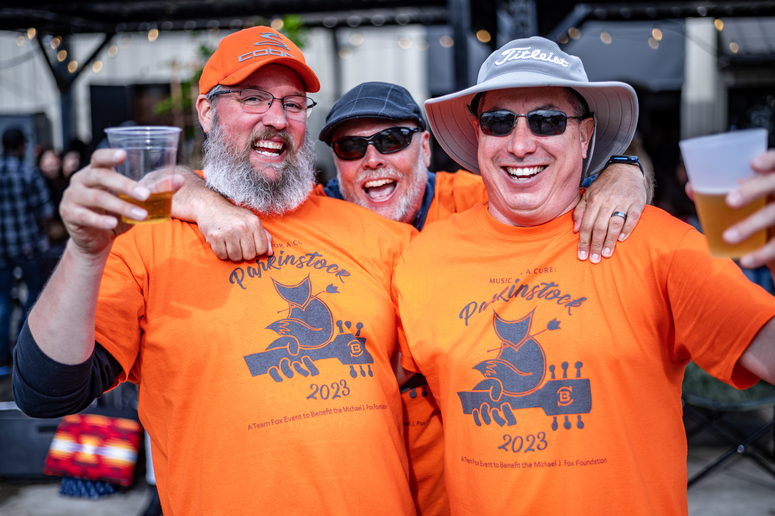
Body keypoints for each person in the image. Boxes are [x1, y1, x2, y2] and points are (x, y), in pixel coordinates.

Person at [172, 81, 650, 516]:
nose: (373, 159)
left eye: (392, 140)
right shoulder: (316, 215)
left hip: (464, 490)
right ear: (335, 161)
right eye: (351, 147)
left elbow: (558, 185)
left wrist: (622, 171)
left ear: (425, 146)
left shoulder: (483, 201)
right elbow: (187, 189)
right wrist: (194, 194)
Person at [13, 27, 419, 515]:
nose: (277, 119)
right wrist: (83, 252)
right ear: (206, 112)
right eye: (254, 98)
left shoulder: (380, 236)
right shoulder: (146, 236)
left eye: (293, 104)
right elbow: (45, 390)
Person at [391, 36, 775, 515]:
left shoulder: (659, 243)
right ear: (478, 133)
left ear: (586, 134)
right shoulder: (423, 258)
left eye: (548, 120)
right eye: (499, 121)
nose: (521, 143)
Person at [0, 128, 54, 371]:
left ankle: (2, 357)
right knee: (34, 294)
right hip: (27, 246)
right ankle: (23, 348)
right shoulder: (27, 172)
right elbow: (46, 212)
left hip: (1, 250)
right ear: (22, 146)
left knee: (2, 302)